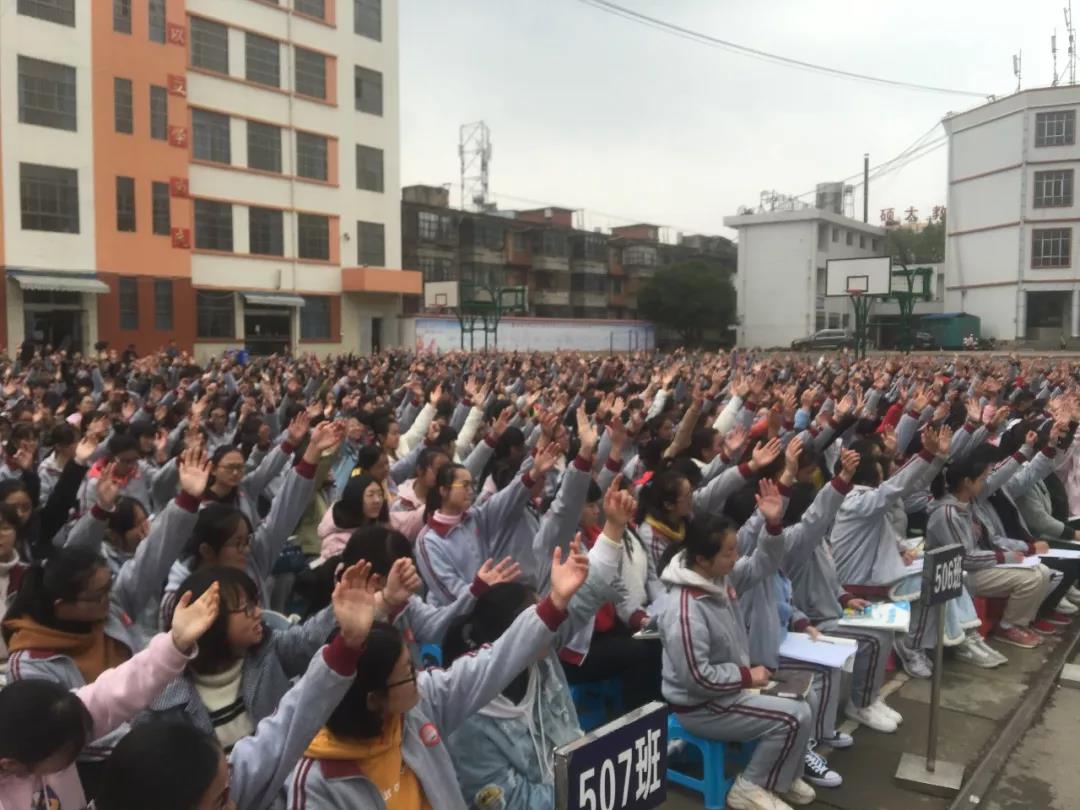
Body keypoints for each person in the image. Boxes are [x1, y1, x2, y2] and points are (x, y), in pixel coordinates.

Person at [285, 539, 604, 809]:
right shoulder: (318, 783)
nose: (421, 675)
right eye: (408, 673)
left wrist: (553, 605)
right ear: (374, 700)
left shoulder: (420, 705)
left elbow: (495, 661)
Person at [92, 561, 380, 810]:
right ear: (212, 623)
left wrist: (348, 640)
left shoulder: (267, 651)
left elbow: (284, 729)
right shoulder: (163, 705)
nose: (258, 613)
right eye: (246, 608)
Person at [441, 487, 635, 809]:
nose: (548, 627)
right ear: (511, 638)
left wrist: (613, 528)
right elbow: (513, 802)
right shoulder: (470, 719)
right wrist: (592, 788)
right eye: (537, 622)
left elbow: (584, 598)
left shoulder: (541, 655)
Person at [655, 495, 816, 810]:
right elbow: (697, 678)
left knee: (806, 697)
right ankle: (750, 785)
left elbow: (762, 565)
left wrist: (772, 526)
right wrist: (746, 676)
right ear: (702, 559)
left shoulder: (717, 577)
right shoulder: (684, 610)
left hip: (730, 691)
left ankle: (783, 777)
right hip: (702, 706)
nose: (736, 556)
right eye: (728, 552)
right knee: (793, 717)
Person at [0, 583, 220, 810]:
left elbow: (117, 691)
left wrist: (175, 644)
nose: (77, 754)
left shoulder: (59, 719)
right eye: (66, 756)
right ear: (10, 765)